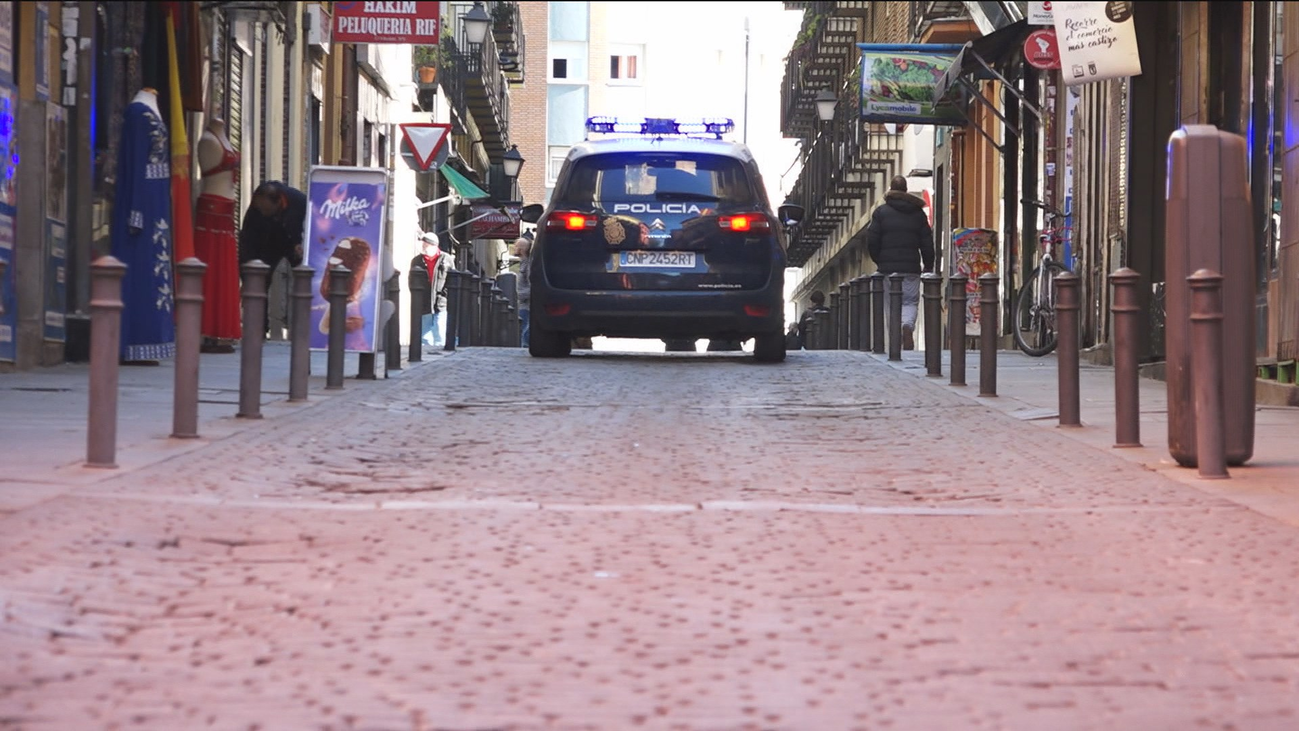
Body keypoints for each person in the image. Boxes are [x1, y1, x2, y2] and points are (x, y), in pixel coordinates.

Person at [111, 87, 175, 364]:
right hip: (145, 202)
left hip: (156, 200)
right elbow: (136, 163)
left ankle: (152, 339)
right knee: (141, 267)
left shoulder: (149, 112)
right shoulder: (138, 114)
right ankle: (134, 341)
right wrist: (135, 210)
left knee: (155, 265)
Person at [865, 175, 935, 350]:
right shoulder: (918, 214)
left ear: (890, 189)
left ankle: (895, 340)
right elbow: (927, 242)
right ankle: (907, 326)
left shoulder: (880, 213)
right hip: (911, 268)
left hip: (888, 270)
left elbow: (872, 241)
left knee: (891, 304)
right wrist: (928, 265)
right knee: (910, 302)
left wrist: (879, 260)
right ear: (905, 190)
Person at [194, 117, 241, 353]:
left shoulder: (221, 136)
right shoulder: (207, 140)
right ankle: (207, 328)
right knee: (212, 269)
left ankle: (220, 329)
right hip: (212, 210)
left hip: (225, 211)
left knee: (223, 270)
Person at [239, 180, 307, 336]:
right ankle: (258, 329)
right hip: (267, 243)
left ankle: (304, 330)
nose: (263, 213)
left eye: (267, 210)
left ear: (278, 202)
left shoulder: (299, 201)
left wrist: (300, 242)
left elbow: (312, 224)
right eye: (260, 209)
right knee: (258, 282)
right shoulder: (256, 209)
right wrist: (246, 272)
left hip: (293, 242)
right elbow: (247, 239)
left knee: (305, 281)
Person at [411, 232, 452, 349]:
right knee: (425, 336)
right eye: (423, 245)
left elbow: (452, 279)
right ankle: (425, 355)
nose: (423, 248)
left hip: (440, 303)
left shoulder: (446, 259)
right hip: (424, 302)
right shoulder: (417, 261)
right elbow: (412, 281)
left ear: (433, 246)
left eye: (425, 245)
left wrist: (444, 295)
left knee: (440, 333)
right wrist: (417, 296)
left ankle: (440, 356)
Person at [513, 234, 532, 346]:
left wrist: (520, 295)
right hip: (524, 304)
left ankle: (525, 348)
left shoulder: (527, 265)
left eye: (516, 246)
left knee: (524, 331)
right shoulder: (524, 264)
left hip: (527, 305)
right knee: (523, 330)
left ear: (521, 249)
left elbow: (532, 286)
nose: (514, 248)